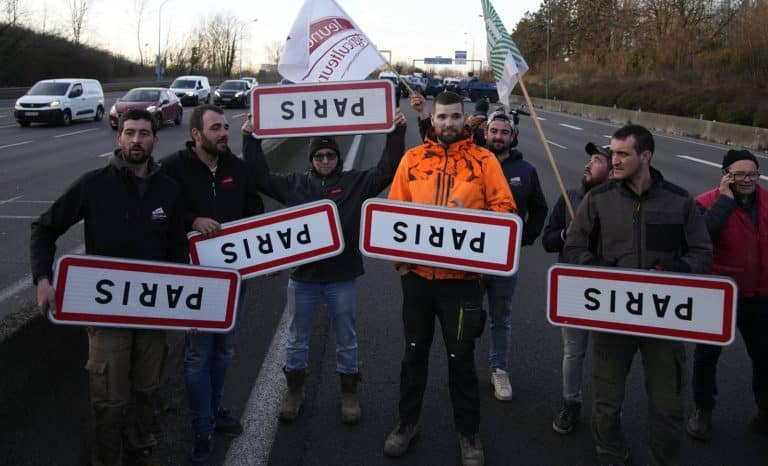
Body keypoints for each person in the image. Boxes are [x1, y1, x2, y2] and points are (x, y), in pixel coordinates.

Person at [30, 109, 188, 466]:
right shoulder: (94, 184)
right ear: (119, 138)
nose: (136, 140)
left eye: (144, 134)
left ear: (155, 140)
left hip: (152, 311)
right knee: (109, 399)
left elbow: (179, 249)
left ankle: (141, 446)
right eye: (129, 133)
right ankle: (107, 459)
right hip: (105, 312)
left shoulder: (169, 189)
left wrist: (186, 305)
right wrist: (43, 279)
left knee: (148, 390)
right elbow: (44, 228)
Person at [242, 110, 407, 425]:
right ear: (311, 158)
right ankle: (295, 390)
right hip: (303, 277)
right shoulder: (294, 184)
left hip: (341, 277)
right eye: (319, 155)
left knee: (347, 337)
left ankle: (349, 392)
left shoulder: (355, 181)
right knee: (296, 338)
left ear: (338, 157)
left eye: (331, 154)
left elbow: (387, 169)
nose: (325, 159)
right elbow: (260, 176)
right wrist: (250, 138)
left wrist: (395, 133)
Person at [562, 124, 712, 466]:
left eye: (622, 154)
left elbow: (702, 253)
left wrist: (673, 273)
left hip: (663, 319)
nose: (613, 160)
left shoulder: (679, 201)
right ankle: (611, 452)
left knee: (668, 404)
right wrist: (604, 273)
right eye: (612, 153)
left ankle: (664, 458)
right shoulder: (597, 199)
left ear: (645, 156)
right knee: (606, 400)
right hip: (612, 317)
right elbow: (574, 245)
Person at [383, 91, 516, 466]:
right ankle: (407, 423)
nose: (448, 124)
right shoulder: (412, 160)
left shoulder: (484, 160)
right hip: (419, 280)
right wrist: (401, 264)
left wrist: (474, 237)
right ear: (435, 119)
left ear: (464, 119)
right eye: (441, 117)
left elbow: (505, 211)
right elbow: (393, 213)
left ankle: (468, 433)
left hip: (462, 282)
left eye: (455, 117)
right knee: (413, 354)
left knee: (461, 358)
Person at [160, 104, 264, 464]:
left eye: (225, 127)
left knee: (225, 350)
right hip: (194, 279)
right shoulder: (172, 168)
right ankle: (201, 427)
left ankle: (214, 408)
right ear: (196, 135)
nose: (224, 133)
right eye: (216, 128)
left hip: (234, 277)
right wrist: (193, 218)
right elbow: (161, 216)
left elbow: (255, 208)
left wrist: (261, 250)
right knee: (197, 355)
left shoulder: (236, 168)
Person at [686, 149, 768, 440]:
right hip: (718, 295)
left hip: (759, 294)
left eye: (752, 174)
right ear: (725, 176)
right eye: (739, 174)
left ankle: (764, 410)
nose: (747, 180)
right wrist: (724, 201)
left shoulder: (767, 201)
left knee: (763, 357)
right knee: (706, 358)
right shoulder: (705, 203)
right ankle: (703, 409)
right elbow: (700, 238)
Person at [543, 142, 612, 434]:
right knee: (573, 352)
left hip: (609, 292)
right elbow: (548, 241)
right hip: (573, 289)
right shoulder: (569, 197)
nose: (588, 164)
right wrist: (564, 234)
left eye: (597, 160)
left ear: (612, 171)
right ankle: (571, 402)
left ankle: (608, 411)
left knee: (608, 355)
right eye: (590, 159)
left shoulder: (621, 204)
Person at [479, 111, 548, 400]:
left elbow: (540, 209)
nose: (498, 136)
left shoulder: (527, 171)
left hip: (505, 260)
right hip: (467, 256)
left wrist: (522, 239)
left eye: (503, 132)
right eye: (493, 131)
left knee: (501, 317)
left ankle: (499, 370)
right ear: (485, 133)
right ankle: (461, 370)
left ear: (512, 136)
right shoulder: (471, 163)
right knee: (463, 314)